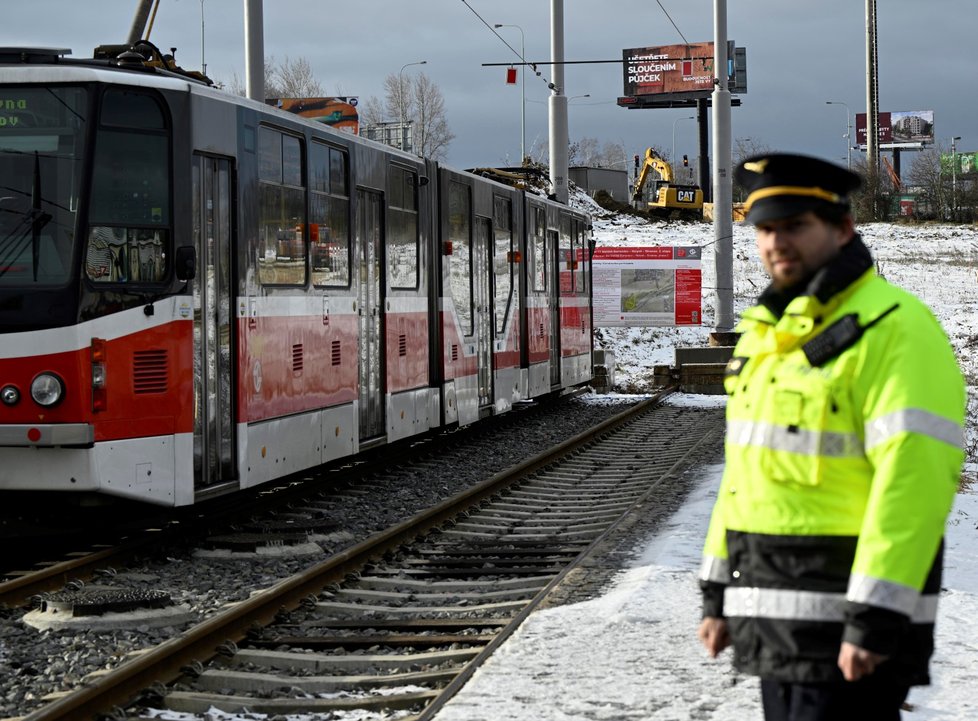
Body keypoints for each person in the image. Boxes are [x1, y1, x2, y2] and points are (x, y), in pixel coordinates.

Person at [697, 153, 966, 721]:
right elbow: (745, 477)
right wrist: (718, 593)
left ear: (842, 228)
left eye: (795, 226)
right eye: (765, 229)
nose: (775, 243)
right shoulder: (765, 336)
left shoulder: (896, 328)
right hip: (775, 623)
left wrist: (873, 617)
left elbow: (913, 488)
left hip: (850, 631)